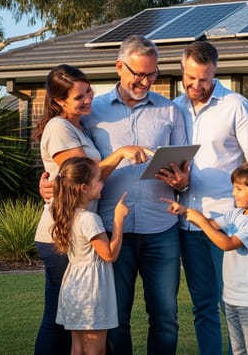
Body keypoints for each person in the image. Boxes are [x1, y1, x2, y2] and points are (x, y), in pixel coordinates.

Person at [39, 35, 190, 354]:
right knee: (113, 318)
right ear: (120, 67)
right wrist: (47, 186)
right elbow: (69, 170)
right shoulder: (92, 112)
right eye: (139, 74)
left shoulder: (170, 111)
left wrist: (182, 179)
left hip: (160, 229)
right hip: (107, 230)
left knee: (165, 317)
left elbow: (184, 166)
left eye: (153, 74)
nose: (146, 81)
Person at [33, 64, 150, 355]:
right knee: (57, 319)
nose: (88, 100)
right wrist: (122, 153)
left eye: (88, 92)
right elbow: (83, 174)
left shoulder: (77, 125)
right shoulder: (59, 128)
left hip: (77, 230)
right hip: (62, 234)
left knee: (73, 322)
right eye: (79, 97)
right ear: (59, 101)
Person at [173, 40, 248, 355]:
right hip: (190, 225)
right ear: (182, 70)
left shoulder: (235, 105)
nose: (196, 85)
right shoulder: (174, 108)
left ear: (215, 72)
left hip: (227, 226)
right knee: (203, 306)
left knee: (232, 303)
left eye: (203, 79)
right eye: (190, 78)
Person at [162, 161, 248, 355]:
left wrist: (201, 222)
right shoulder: (236, 214)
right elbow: (211, 223)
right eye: (234, 188)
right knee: (239, 350)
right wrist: (184, 211)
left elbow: (227, 243)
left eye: (239, 189)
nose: (233, 194)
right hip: (232, 297)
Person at [50, 156, 129, 355]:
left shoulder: (67, 214)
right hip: (91, 290)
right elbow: (109, 254)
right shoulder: (89, 219)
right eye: (98, 180)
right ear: (84, 188)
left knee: (77, 347)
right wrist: (118, 220)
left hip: (74, 287)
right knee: (96, 349)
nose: (103, 184)